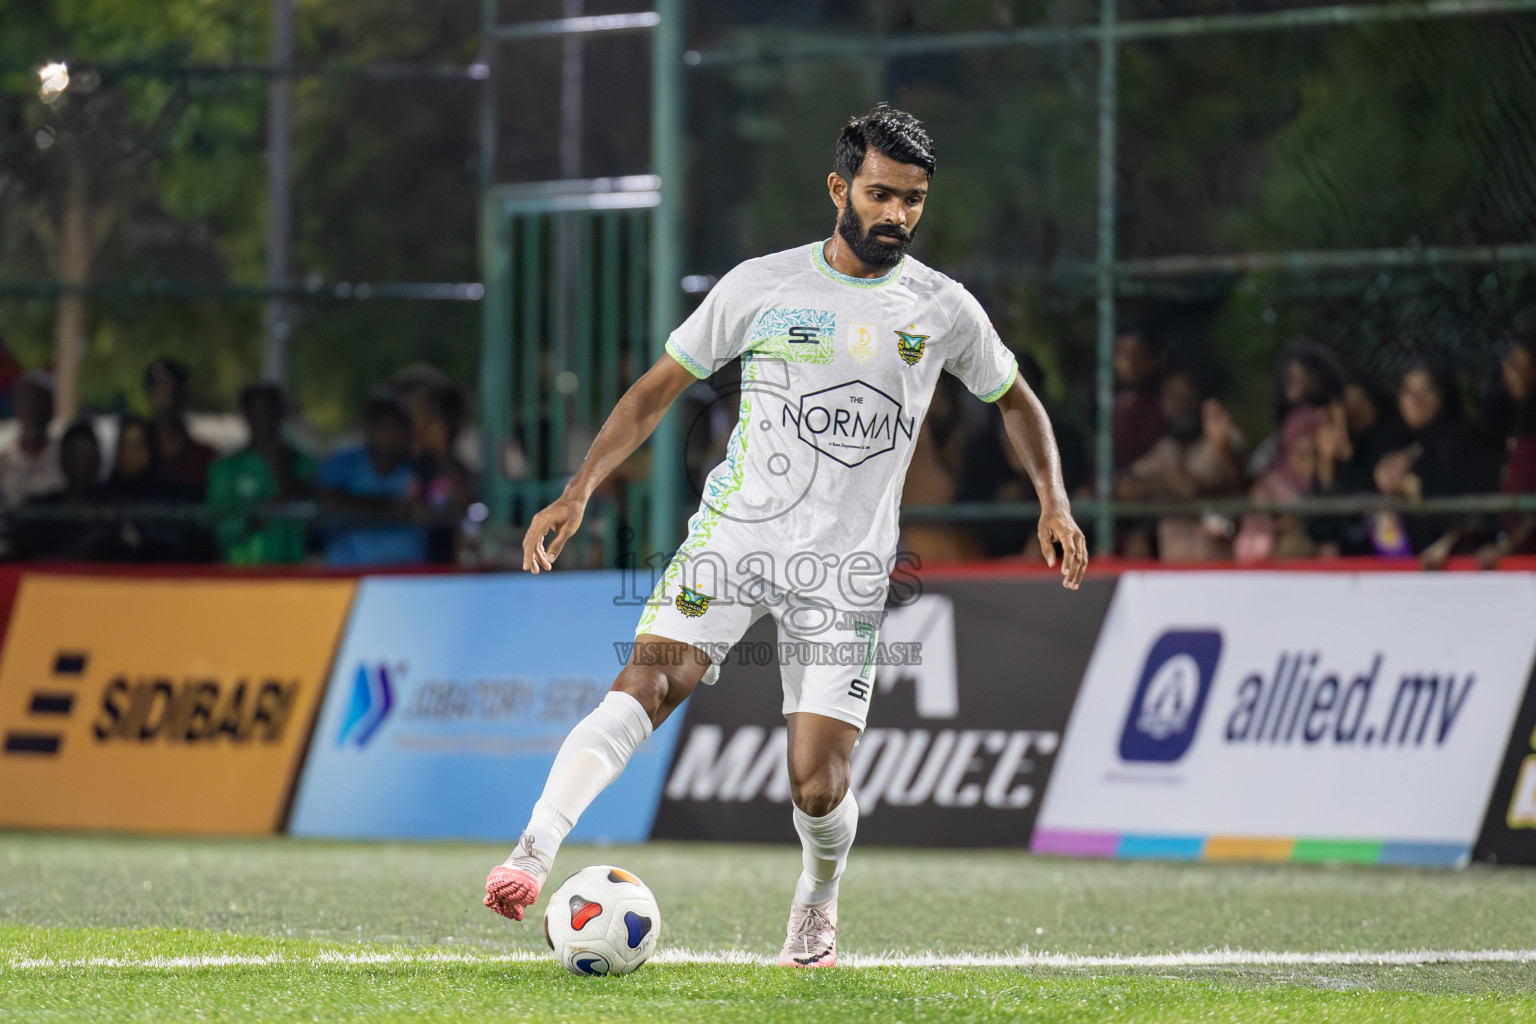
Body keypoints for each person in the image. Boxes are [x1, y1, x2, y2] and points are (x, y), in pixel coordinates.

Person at [480, 105, 1088, 967]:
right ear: (840, 188)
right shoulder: (761, 287)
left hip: (844, 575)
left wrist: (1052, 501)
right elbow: (656, 391)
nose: (898, 217)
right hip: (737, 540)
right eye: (881, 195)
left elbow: (1016, 400)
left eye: (913, 200)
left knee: (815, 782)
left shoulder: (942, 307)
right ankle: (531, 853)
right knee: (645, 686)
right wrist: (579, 490)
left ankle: (818, 892)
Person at [1373, 358, 1501, 564]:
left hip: (1462, 564)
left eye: (1425, 391)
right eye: (1407, 391)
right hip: (1410, 565)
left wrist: (1449, 543)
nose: (1415, 401)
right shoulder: (1396, 442)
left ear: (1442, 396)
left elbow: (1480, 512)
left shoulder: (1466, 440)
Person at [1114, 367, 1245, 562]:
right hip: (1173, 571)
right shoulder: (1165, 448)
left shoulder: (1220, 442)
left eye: (1184, 395)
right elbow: (1125, 488)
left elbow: (1191, 487)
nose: (1176, 402)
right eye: (1170, 395)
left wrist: (1163, 483)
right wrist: (1161, 485)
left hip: (1217, 568)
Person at [207, 383, 317, 565]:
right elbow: (220, 526)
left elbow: (313, 514)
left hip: (291, 571)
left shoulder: (303, 463)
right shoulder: (226, 468)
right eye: (256, 410)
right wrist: (256, 516)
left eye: (271, 410)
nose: (264, 417)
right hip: (240, 572)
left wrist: (281, 470)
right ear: (245, 415)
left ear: (281, 414)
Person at [318, 391, 426, 567]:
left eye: (396, 425)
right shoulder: (344, 462)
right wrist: (389, 506)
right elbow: (328, 500)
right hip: (350, 575)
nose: (389, 433)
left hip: (409, 575)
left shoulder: (420, 467)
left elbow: (436, 505)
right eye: (383, 425)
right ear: (369, 429)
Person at [1476, 334, 1536, 566]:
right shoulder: (1494, 425)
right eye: (1513, 365)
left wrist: (1508, 547)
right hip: (1500, 551)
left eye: (1529, 366)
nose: (1521, 374)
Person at [145, 358, 217, 497]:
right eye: (157, 385)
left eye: (169, 385)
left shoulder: (203, 457)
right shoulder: (136, 449)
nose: (164, 392)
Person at [0, 372, 64, 508]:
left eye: (43, 404)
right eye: (29, 404)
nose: (36, 412)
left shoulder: (65, 455)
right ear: (18, 407)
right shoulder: (4, 457)